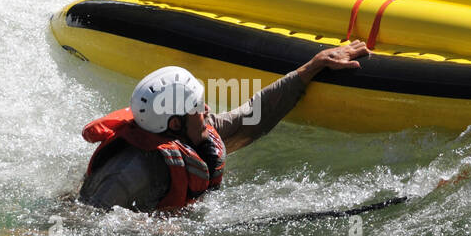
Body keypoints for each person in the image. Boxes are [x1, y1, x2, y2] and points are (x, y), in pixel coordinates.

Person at [78, 41, 370, 211]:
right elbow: (85, 220)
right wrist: (149, 227)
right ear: (175, 123)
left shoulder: (195, 131)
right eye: (198, 107)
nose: (206, 110)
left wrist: (313, 66)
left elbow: (255, 115)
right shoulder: (128, 173)